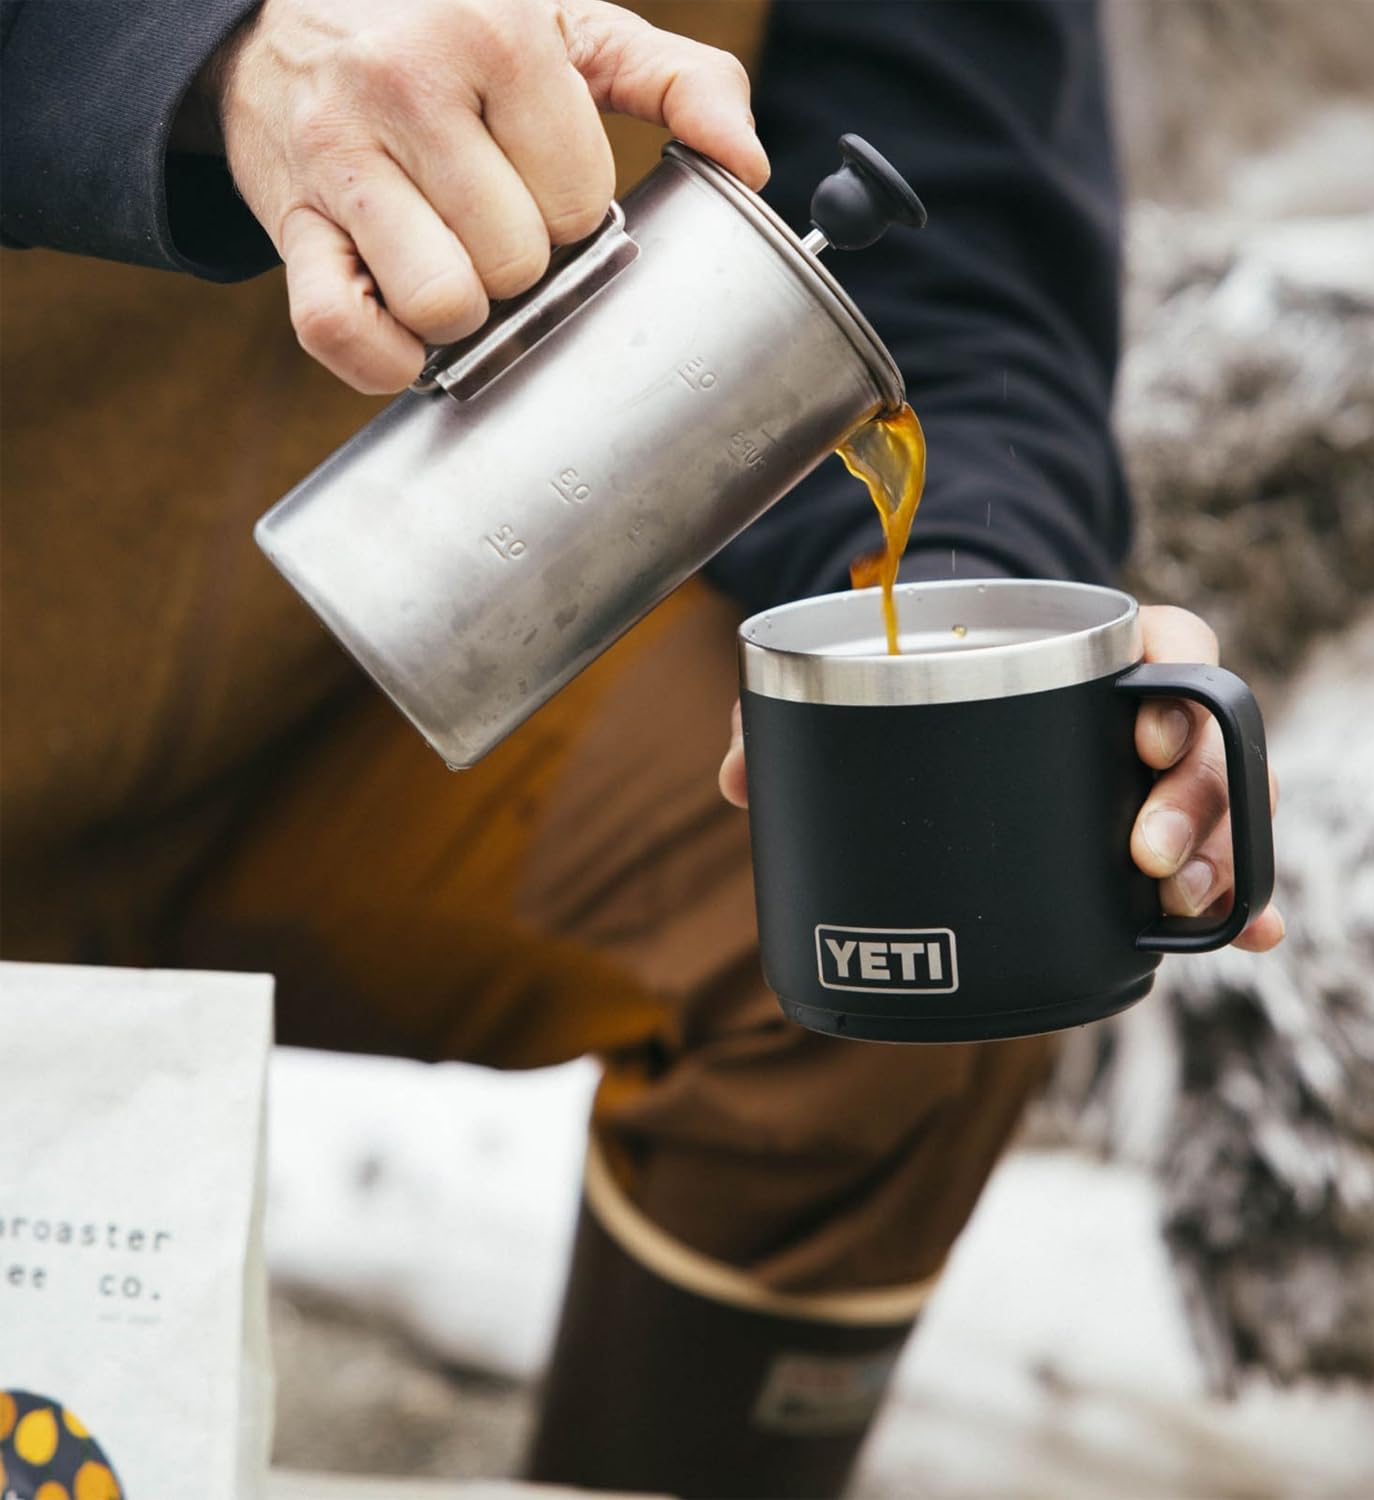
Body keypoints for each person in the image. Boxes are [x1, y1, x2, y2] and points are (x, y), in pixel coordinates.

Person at [1, 2, 1281, 1494]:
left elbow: (948, 254)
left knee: (917, 909)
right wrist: (189, 52)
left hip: (387, 669)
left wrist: (955, 632)